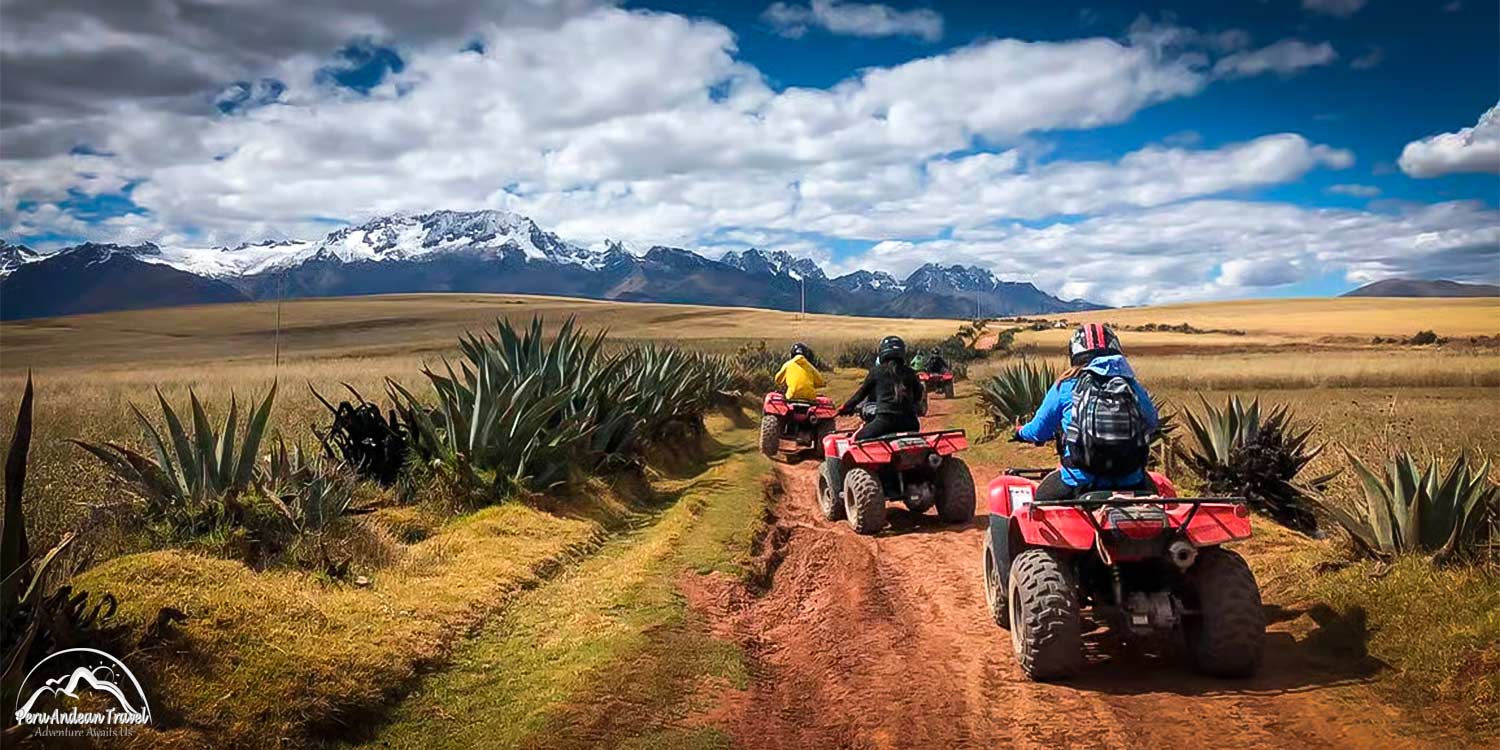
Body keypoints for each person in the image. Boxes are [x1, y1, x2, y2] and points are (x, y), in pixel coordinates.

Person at [1012, 323, 1160, 501]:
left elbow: (1039, 430)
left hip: (1079, 481)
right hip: (1131, 482)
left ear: (1075, 353)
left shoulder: (1066, 386)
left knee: (1038, 506)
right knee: (1158, 499)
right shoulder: (1132, 386)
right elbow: (1152, 423)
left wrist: (1020, 433)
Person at [839, 335, 925, 441]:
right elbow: (918, 396)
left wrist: (846, 407)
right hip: (911, 424)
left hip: (885, 423)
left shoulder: (876, 372)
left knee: (856, 440)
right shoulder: (910, 372)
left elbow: (860, 395)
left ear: (882, 352)